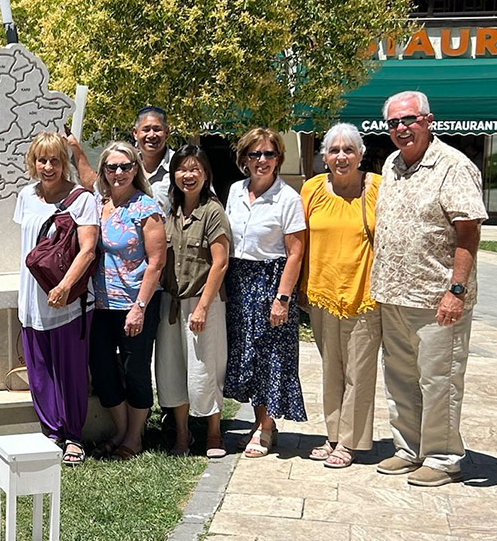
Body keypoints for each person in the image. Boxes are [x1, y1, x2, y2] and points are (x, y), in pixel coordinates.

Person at [370, 91, 486, 487]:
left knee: (440, 381)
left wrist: (456, 290)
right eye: (394, 123)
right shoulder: (391, 164)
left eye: (410, 120)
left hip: (437, 298)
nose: (402, 128)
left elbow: (468, 232)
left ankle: (443, 456)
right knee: (401, 378)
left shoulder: (454, 166)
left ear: (428, 120)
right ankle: (408, 448)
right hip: (394, 293)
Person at [73, 140, 165, 461]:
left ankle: (134, 438)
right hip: (101, 306)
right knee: (101, 368)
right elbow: (85, 177)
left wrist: (139, 308)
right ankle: (122, 432)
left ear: (135, 169)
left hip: (135, 305)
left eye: (125, 166)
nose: (118, 172)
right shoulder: (98, 204)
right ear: (104, 171)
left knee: (135, 369)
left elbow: (156, 262)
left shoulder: (146, 208)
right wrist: (76, 150)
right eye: (111, 167)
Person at [299, 123, 383, 469]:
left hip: (365, 295)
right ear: (324, 157)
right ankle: (333, 435)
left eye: (349, 149)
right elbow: (298, 241)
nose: (341, 156)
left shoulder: (378, 187)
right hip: (321, 293)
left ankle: (350, 442)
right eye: (334, 150)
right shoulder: (313, 189)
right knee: (331, 368)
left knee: (359, 372)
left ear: (361, 154)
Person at [14, 132, 99, 465]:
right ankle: (51, 433)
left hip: (69, 301)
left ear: (65, 162)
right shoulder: (25, 196)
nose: (48, 167)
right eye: (42, 160)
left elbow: (88, 249)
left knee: (70, 371)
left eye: (55, 160)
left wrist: (64, 286)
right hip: (32, 299)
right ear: (33, 162)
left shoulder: (81, 199)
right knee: (39, 370)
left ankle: (74, 438)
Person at [224, 128, 307, 458]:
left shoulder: (288, 198)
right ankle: (258, 421)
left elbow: (296, 252)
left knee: (270, 357)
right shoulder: (234, 191)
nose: (262, 161)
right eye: (255, 154)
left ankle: (265, 427)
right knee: (248, 355)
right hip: (240, 280)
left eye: (269, 154)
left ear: (279, 158)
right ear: (244, 159)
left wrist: (282, 298)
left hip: (271, 280)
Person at [155, 145, 230, 458]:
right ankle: (182, 436)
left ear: (205, 174)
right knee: (172, 371)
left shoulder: (213, 211)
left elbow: (220, 262)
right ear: (173, 175)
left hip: (203, 303)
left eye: (194, 169)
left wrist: (201, 307)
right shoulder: (170, 211)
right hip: (171, 303)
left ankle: (213, 434)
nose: (188, 175)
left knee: (205, 370)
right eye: (182, 169)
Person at [134, 106, 175, 209]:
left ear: (166, 133)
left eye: (157, 129)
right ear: (135, 133)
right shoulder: (125, 167)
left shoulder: (180, 164)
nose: (151, 135)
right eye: (146, 129)